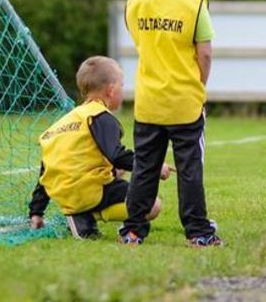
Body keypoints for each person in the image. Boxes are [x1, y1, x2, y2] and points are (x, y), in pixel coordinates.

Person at [119, 0, 223, 247]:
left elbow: (138, 38)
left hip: (149, 101)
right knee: (190, 168)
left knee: (145, 168)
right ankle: (198, 232)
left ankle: (134, 229)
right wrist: (199, 85)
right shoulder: (194, 3)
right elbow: (204, 52)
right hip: (184, 102)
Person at [28, 56, 170, 239]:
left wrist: (36, 211)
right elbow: (117, 155)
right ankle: (86, 216)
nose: (123, 90)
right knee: (151, 204)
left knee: (118, 171)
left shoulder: (64, 121)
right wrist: (154, 167)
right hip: (88, 190)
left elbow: (46, 169)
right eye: (122, 85)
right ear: (111, 90)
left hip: (65, 194)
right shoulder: (101, 116)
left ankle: (79, 215)